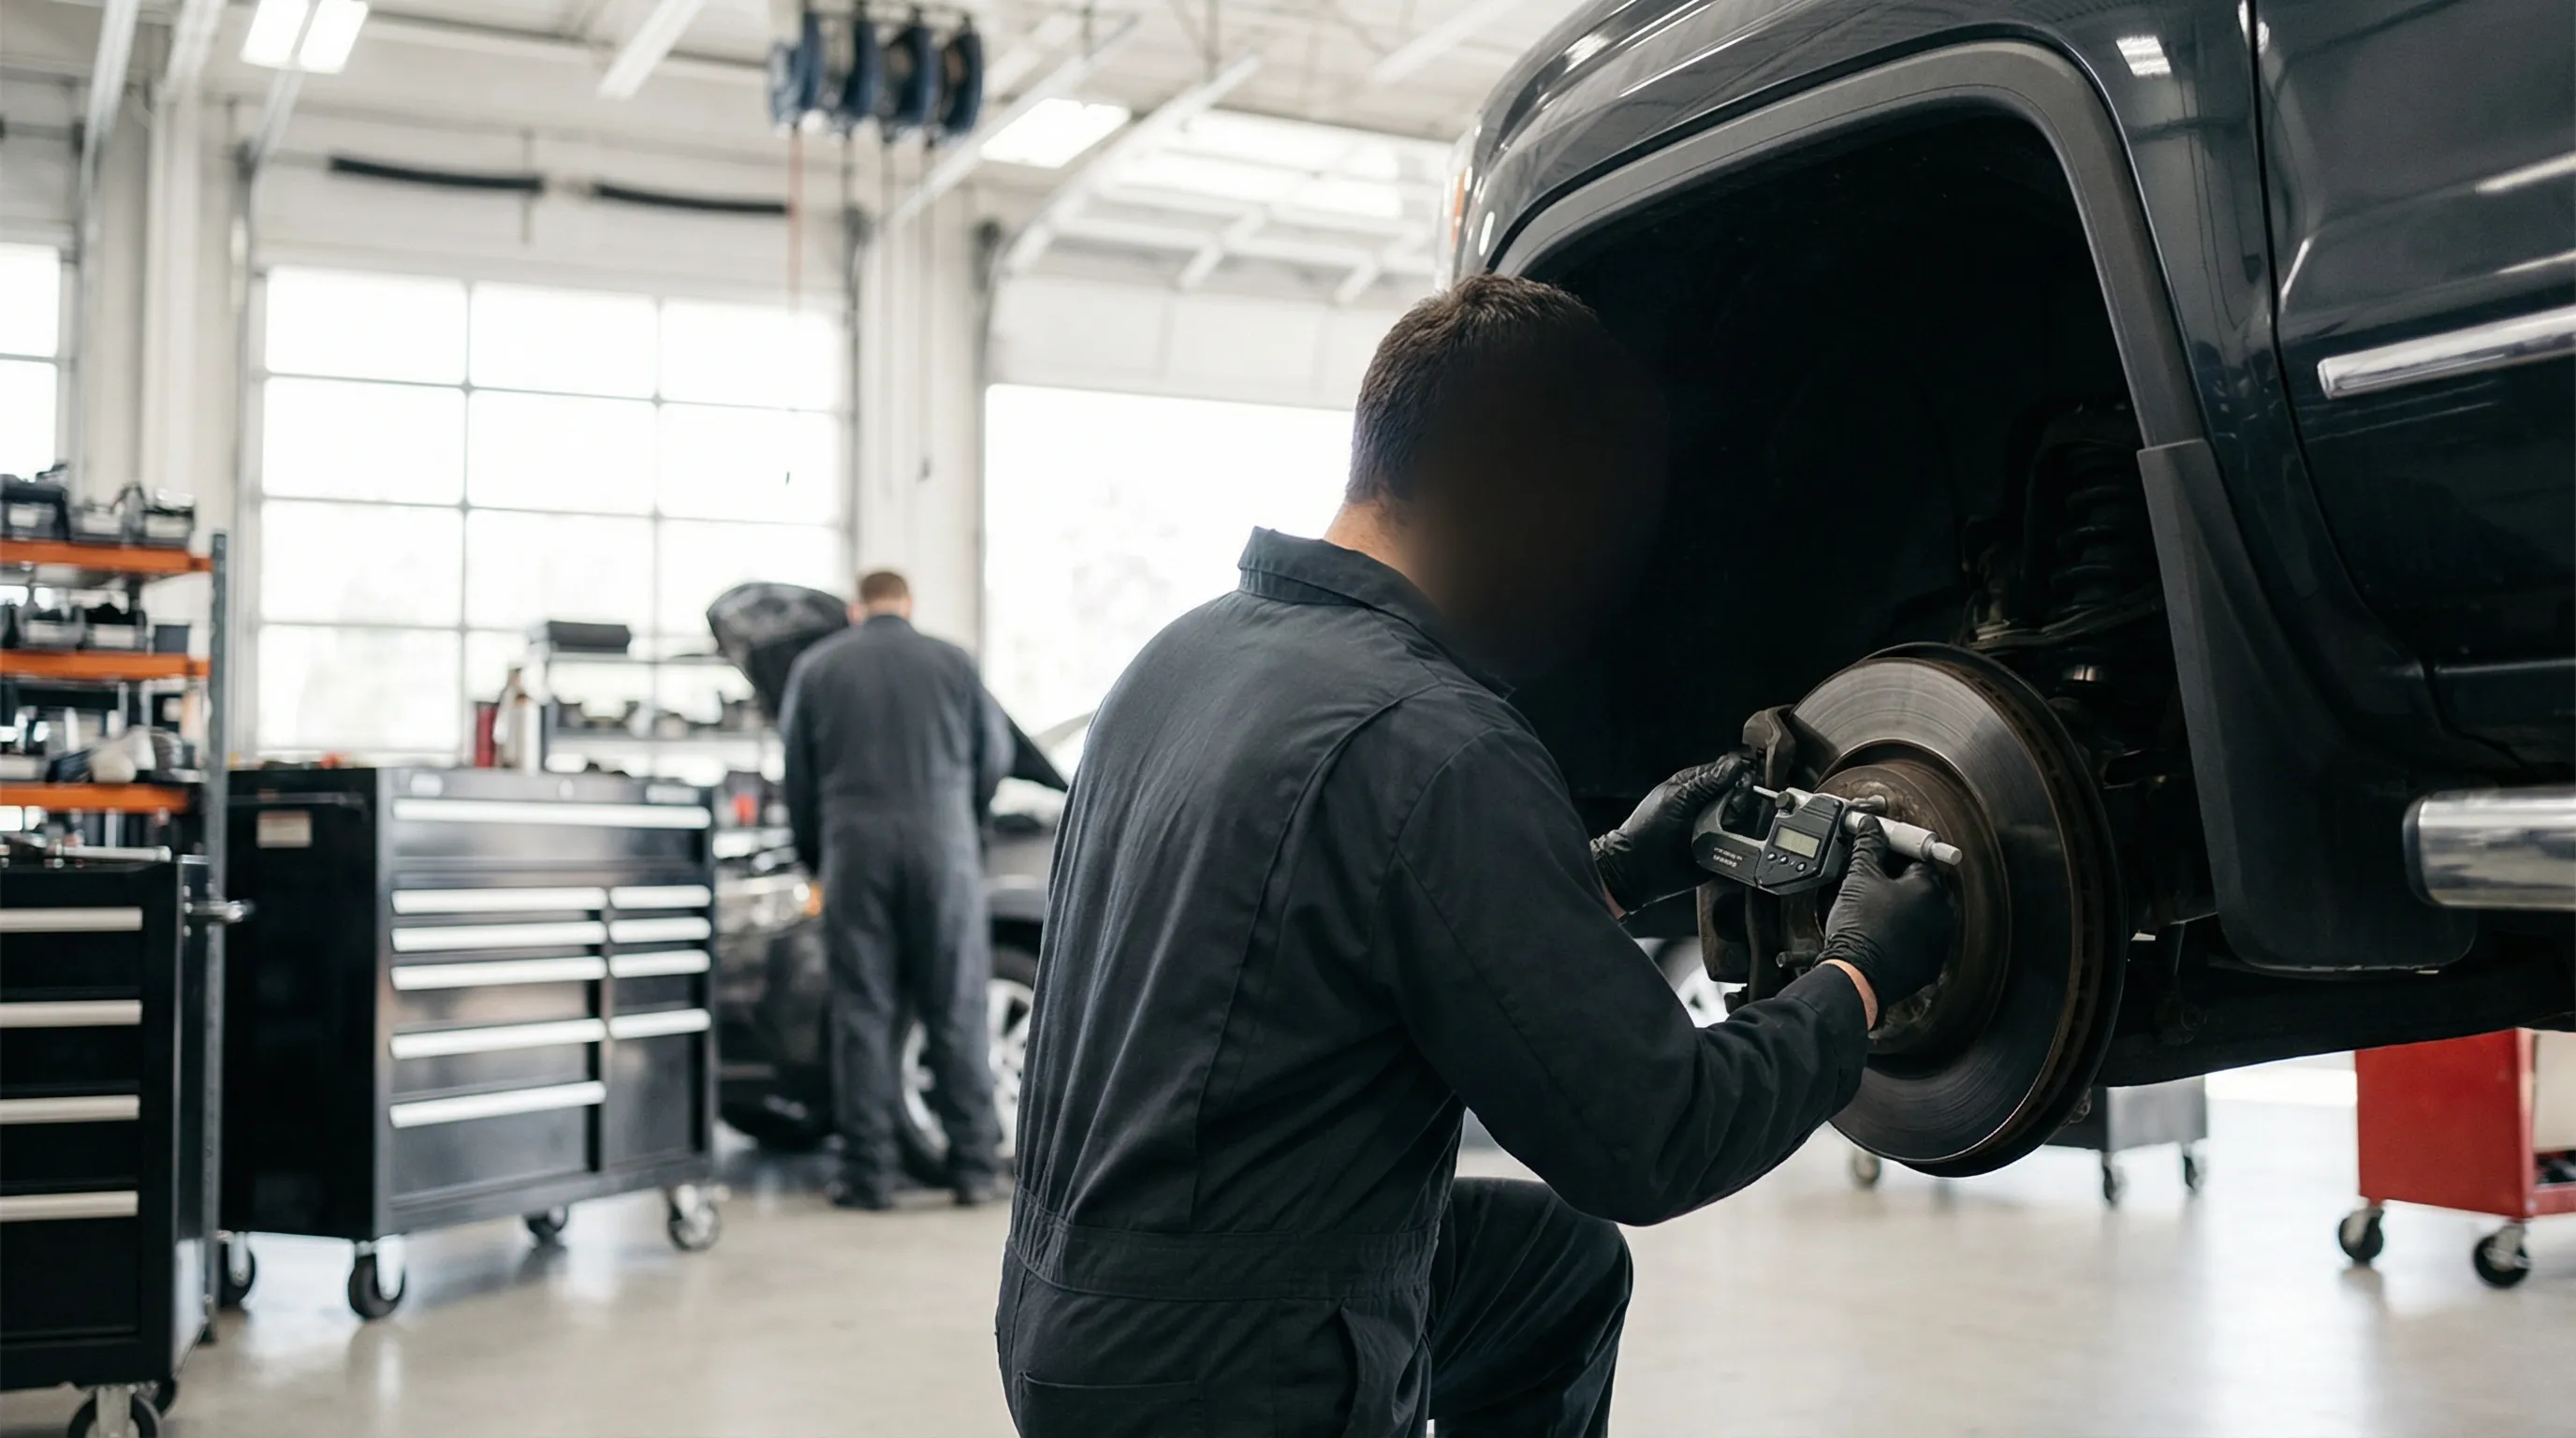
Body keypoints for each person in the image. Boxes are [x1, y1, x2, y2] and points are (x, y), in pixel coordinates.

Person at [997, 276, 1954, 1434]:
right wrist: (1854, 978)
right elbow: (1652, 1136)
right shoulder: (1432, 737)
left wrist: (1609, 871)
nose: (1603, 588)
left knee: (1549, 1272)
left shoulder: (1179, 658)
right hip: (1232, 1373)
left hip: (1078, 1305)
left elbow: (1323, 940)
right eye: (1603, 528)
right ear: (1518, 493)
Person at [781, 568, 1017, 1210]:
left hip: (855, 851)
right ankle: (973, 1169)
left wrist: (816, 854)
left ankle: (869, 1175)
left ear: (858, 609)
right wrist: (960, 818)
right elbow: (994, 756)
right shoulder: (953, 663)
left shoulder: (818, 668)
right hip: (944, 850)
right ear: (908, 605)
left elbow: (796, 778)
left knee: (864, 1011)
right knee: (956, 1003)